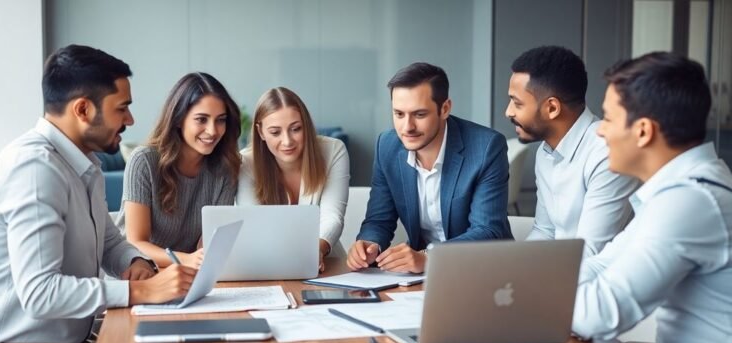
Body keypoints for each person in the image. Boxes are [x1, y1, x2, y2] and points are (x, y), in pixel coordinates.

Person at [0, 45, 196, 343]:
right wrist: (141, 292)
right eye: (122, 108)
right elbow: (41, 294)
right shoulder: (35, 171)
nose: (130, 120)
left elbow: (109, 241)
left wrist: (135, 265)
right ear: (83, 109)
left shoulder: (83, 163)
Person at [572, 52, 732, 343]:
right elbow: (602, 265)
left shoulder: (690, 200)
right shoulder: (681, 189)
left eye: (608, 119)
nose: (600, 132)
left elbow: (601, 312)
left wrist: (524, 299)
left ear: (643, 131)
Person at [347, 62, 512, 274]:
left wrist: (429, 257)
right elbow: (379, 220)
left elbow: (487, 230)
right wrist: (368, 245)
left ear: (444, 109)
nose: (407, 127)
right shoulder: (386, 146)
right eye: (399, 114)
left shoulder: (486, 148)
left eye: (419, 114)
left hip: (482, 272)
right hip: (420, 279)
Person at [505, 46, 639, 257]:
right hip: (561, 274)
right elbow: (545, 231)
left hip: (595, 281)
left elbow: (590, 252)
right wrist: (514, 270)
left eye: (517, 103)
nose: (508, 111)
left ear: (552, 108)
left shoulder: (606, 154)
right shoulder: (545, 152)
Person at [117, 72, 241, 269]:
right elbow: (136, 243)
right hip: (141, 274)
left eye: (221, 120)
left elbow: (209, 242)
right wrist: (187, 259)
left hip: (190, 275)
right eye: (201, 119)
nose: (213, 130)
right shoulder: (144, 161)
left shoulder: (224, 169)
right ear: (178, 119)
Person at [237, 87, 349, 272]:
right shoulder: (246, 163)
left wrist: (317, 250)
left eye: (296, 129)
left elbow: (333, 216)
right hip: (268, 265)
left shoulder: (334, 151)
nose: (287, 141)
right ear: (261, 132)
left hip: (326, 265)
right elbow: (255, 225)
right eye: (275, 132)